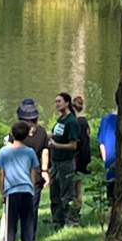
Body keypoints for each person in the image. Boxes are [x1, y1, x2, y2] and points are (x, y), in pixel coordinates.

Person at [0, 120, 39, 241]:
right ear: (26, 135)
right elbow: (33, 171)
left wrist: (2, 191)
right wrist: (32, 187)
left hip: (11, 190)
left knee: (11, 221)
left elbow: (1, 173)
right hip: (26, 188)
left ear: (12, 134)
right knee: (27, 220)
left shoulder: (4, 152)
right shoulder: (30, 152)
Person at [48, 93, 82, 230]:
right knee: (54, 193)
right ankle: (57, 220)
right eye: (56, 102)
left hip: (66, 162)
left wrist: (56, 146)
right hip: (55, 162)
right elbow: (58, 135)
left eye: (59, 101)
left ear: (67, 103)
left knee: (67, 193)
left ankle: (72, 221)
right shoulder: (60, 119)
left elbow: (73, 145)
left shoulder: (71, 121)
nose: (57, 104)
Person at [97, 107, 118, 205]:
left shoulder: (106, 120)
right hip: (112, 164)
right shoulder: (107, 120)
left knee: (111, 201)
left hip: (110, 163)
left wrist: (106, 161)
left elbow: (102, 144)